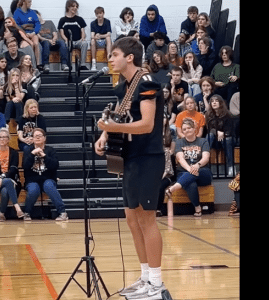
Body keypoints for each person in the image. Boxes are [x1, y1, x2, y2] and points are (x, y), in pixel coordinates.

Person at [95, 37, 169, 299]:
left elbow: (147, 125)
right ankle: (145, 276)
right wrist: (105, 136)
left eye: (114, 54)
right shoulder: (124, 86)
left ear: (129, 57)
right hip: (129, 156)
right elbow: (118, 115)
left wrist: (113, 128)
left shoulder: (147, 83)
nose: (110, 59)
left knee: (146, 218)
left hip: (148, 156)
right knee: (131, 218)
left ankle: (157, 284)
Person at [165, 118, 212, 217]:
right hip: (184, 172)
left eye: (189, 128)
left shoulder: (203, 141)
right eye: (184, 129)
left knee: (193, 175)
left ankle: (173, 188)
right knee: (191, 183)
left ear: (194, 129)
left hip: (203, 171)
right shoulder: (179, 142)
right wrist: (190, 169)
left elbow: (206, 158)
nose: (187, 130)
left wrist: (197, 165)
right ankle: (197, 207)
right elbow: (180, 159)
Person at [22, 128, 68, 221]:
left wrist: (45, 156)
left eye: (40, 136)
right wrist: (32, 155)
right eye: (35, 136)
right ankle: (27, 213)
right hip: (32, 180)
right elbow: (25, 166)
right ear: (33, 139)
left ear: (44, 138)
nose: (38, 138)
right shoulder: (28, 150)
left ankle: (62, 213)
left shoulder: (50, 150)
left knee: (49, 185)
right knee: (33, 189)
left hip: (48, 178)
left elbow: (55, 166)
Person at [0, 128, 25, 221]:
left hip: (12, 180)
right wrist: (0, 177)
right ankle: (17, 207)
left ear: (8, 139)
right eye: (0, 137)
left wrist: (2, 177)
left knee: (5, 190)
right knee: (7, 182)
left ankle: (1, 214)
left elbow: (13, 169)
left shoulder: (14, 153)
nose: (2, 139)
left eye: (5, 137)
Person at [205, 94, 236, 177]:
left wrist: (224, 133)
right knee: (209, 136)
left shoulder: (228, 114)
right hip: (215, 140)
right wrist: (217, 132)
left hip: (227, 138)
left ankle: (231, 167)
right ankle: (205, 165)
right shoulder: (209, 115)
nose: (214, 103)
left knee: (227, 140)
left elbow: (230, 130)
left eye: (216, 101)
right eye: (212, 101)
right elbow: (209, 128)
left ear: (221, 103)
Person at [58, 0, 89, 70]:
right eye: (73, 6)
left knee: (85, 43)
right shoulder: (62, 20)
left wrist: (82, 38)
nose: (75, 8)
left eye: (76, 6)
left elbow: (83, 31)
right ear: (68, 7)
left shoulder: (79, 19)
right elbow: (61, 33)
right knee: (67, 45)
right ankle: (69, 65)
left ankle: (82, 65)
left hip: (78, 41)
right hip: (69, 41)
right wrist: (66, 39)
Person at [13, 0, 42, 68]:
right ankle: (30, 64)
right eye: (29, 2)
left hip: (32, 33)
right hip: (23, 34)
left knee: (36, 43)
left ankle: (38, 64)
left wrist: (34, 32)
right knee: (29, 45)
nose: (30, 4)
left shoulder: (32, 12)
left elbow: (37, 24)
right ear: (23, 2)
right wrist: (24, 30)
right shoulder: (17, 12)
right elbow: (17, 26)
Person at [89, 6, 112, 71]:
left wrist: (100, 36)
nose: (99, 15)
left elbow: (109, 34)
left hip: (104, 41)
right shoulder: (93, 23)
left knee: (108, 38)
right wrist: (95, 37)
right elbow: (92, 35)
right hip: (97, 42)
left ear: (103, 13)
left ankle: (109, 59)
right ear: (96, 15)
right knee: (92, 40)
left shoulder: (107, 21)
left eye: (101, 13)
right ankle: (94, 62)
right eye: (97, 13)